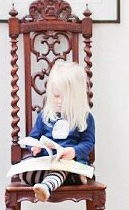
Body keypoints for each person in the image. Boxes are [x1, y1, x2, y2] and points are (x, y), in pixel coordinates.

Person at [22, 59, 95, 202]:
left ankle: (46, 187)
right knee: (24, 173)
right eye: (56, 96)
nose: (59, 101)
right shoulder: (45, 115)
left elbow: (88, 142)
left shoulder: (85, 117)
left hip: (71, 163)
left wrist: (74, 151)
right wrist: (34, 146)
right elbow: (33, 136)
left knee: (61, 169)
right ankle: (70, 179)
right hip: (47, 162)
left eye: (65, 98)